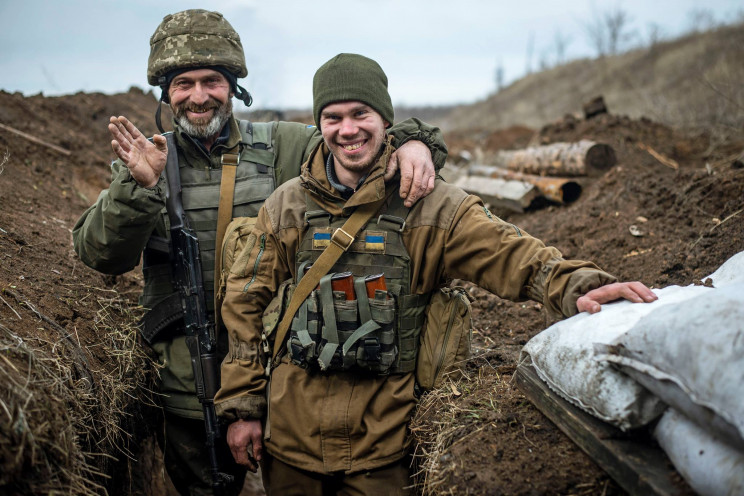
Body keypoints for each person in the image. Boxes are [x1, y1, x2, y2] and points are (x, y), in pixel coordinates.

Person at [215, 53, 658, 495]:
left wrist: (579, 285)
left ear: (385, 119)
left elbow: (512, 254)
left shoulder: (432, 205)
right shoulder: (288, 204)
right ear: (320, 124)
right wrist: (242, 407)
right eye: (332, 117)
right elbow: (244, 302)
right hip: (291, 442)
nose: (347, 129)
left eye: (360, 114)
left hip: (385, 448)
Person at [71, 9, 448, 495]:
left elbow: (356, 139)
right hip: (188, 392)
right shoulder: (146, 160)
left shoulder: (284, 146)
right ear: (166, 93)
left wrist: (415, 143)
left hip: (286, 383)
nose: (199, 96)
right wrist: (138, 187)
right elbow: (100, 255)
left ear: (233, 85)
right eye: (183, 83)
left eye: (212, 80)